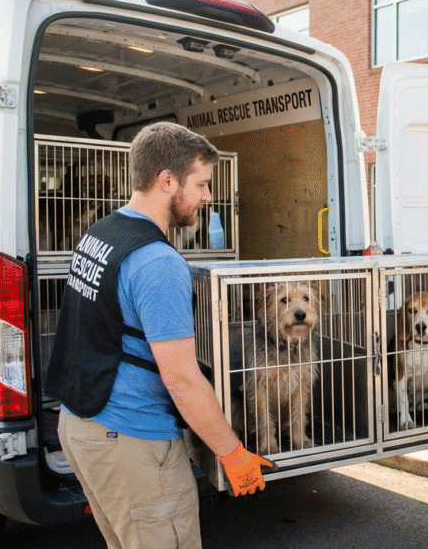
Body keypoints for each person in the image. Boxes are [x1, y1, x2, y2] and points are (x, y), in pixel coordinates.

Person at [47, 122, 271, 549]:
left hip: (79, 428)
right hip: (133, 440)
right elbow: (182, 379)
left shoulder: (100, 234)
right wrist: (233, 453)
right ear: (167, 180)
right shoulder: (158, 262)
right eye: (201, 184)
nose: (208, 196)